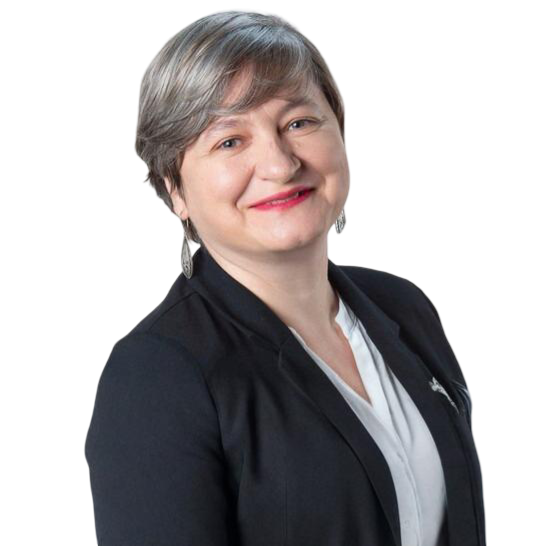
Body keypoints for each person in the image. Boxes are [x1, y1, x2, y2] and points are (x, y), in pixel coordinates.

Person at [84, 8, 486, 546]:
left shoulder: (401, 306)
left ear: (341, 129)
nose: (279, 164)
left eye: (298, 123)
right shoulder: (158, 377)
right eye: (230, 141)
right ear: (174, 190)